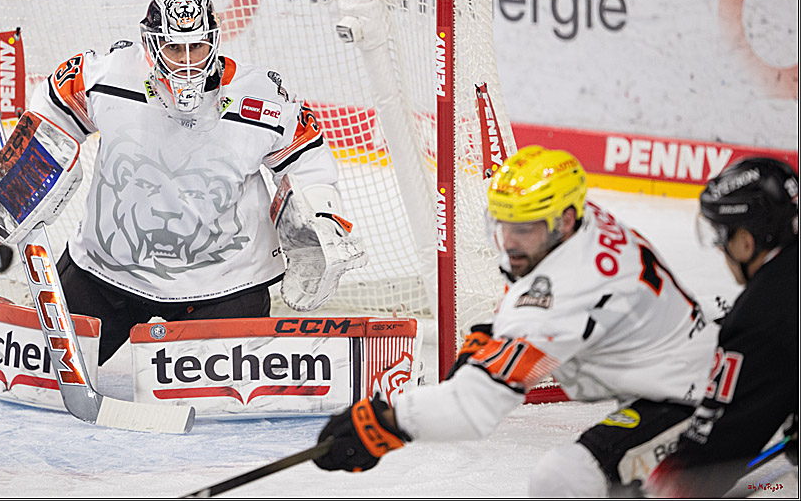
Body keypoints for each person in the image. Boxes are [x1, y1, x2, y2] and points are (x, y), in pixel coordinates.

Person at [312, 145, 719, 497]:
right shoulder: (581, 222)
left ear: (563, 220)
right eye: (504, 224)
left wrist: (384, 421)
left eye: (523, 229)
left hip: (696, 397)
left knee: (564, 478)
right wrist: (496, 336)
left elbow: (473, 410)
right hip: (681, 364)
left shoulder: (567, 291)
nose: (509, 242)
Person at [25, 0, 365, 365]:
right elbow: (51, 113)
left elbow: (307, 162)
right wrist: (21, 183)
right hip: (106, 273)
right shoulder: (105, 76)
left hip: (224, 285)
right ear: (149, 44)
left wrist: (318, 226)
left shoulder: (262, 98)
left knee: (221, 409)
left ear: (214, 41)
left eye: (198, 47)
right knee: (44, 378)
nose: (187, 62)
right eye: (174, 48)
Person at [645, 157, 799, 498]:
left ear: (746, 241)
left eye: (722, 236)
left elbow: (716, 446)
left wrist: (665, 487)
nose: (720, 248)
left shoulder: (763, 314)